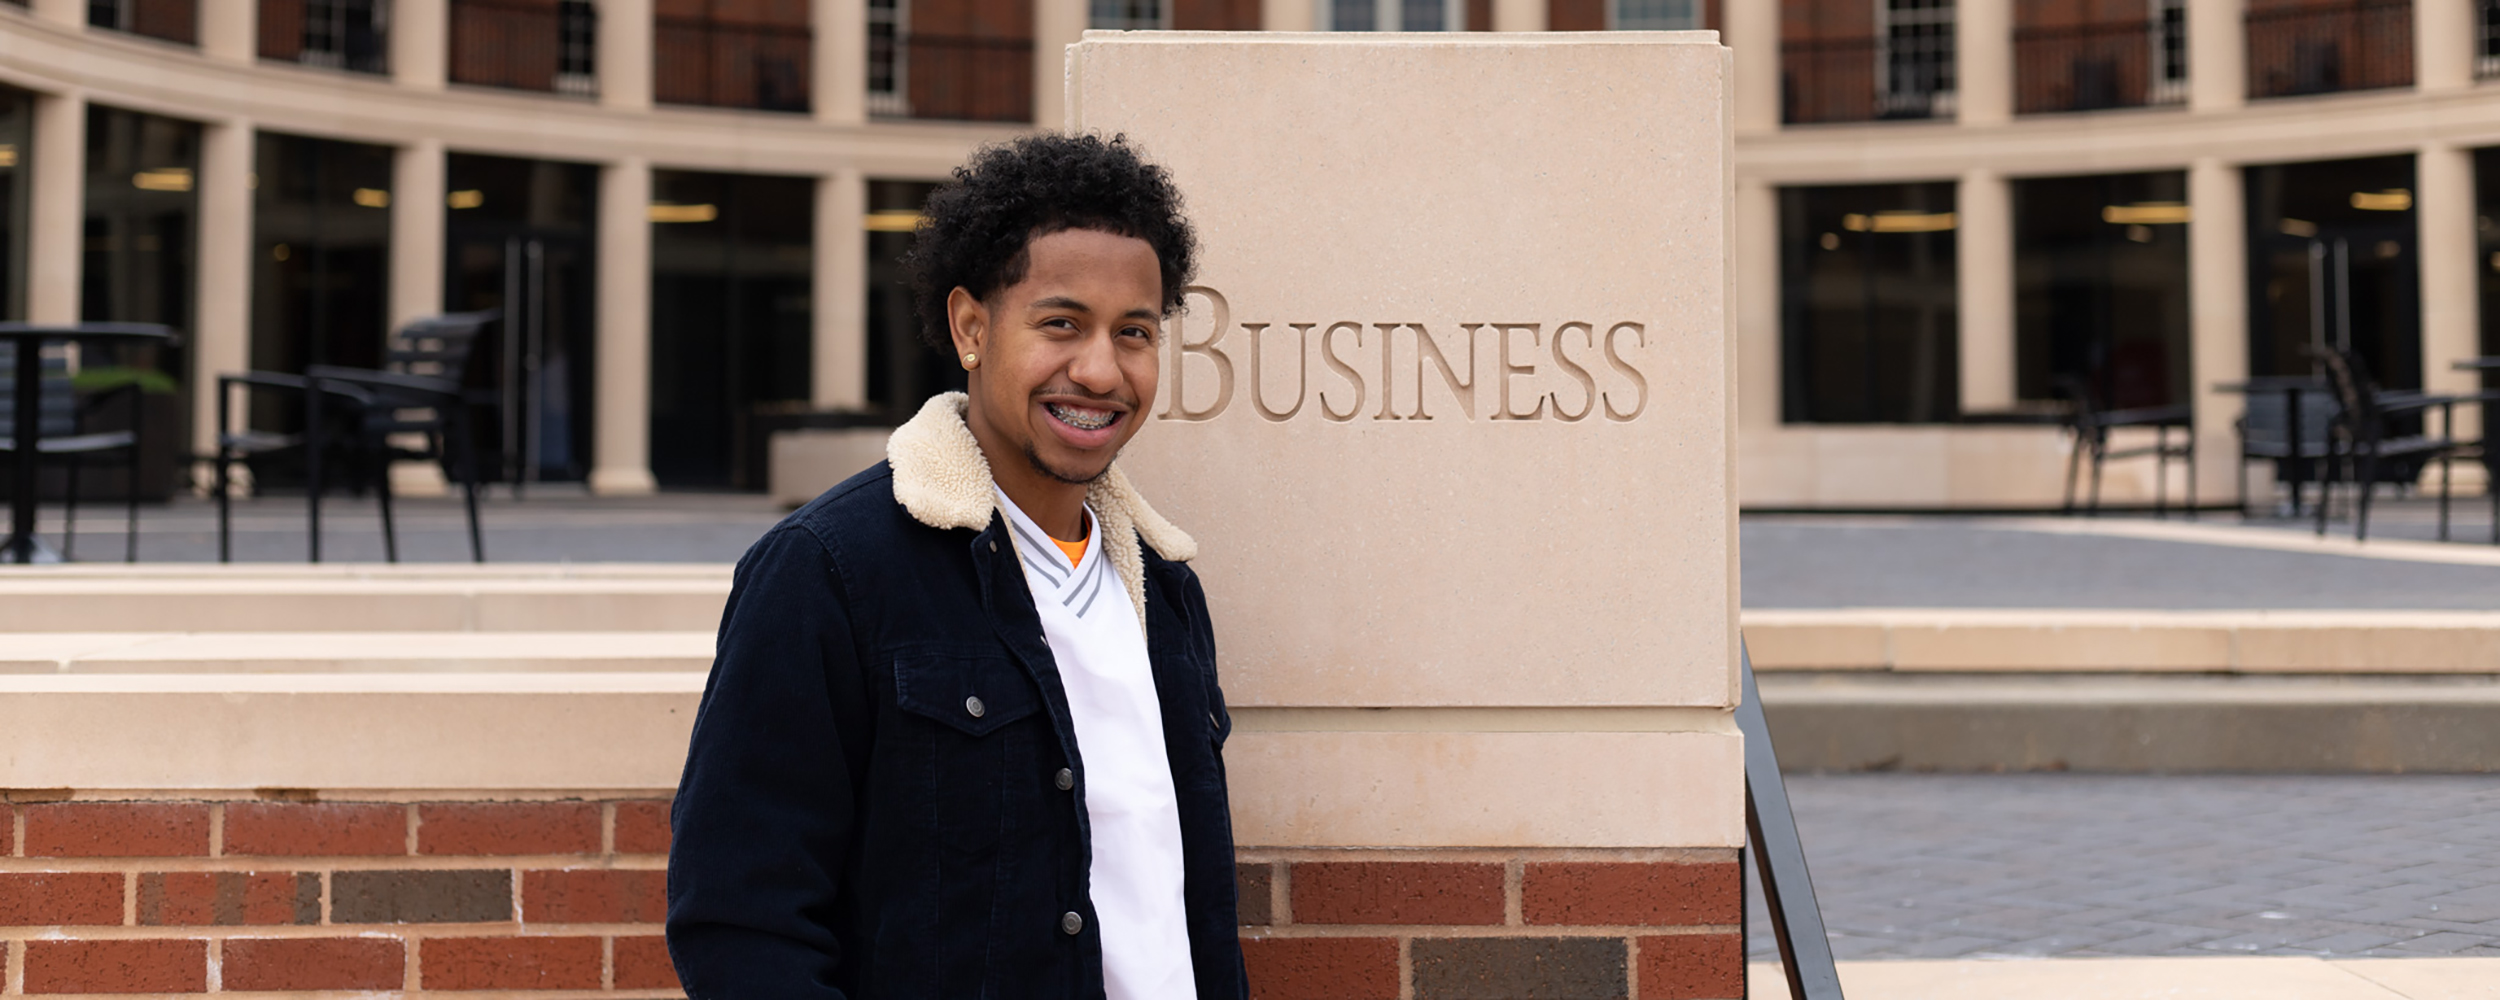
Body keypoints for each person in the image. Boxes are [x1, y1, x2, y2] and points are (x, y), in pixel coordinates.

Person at [665, 133, 1247, 1000]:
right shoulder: (829, 573)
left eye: (1134, 333)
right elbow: (738, 922)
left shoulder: (1164, 592)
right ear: (972, 327)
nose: (1101, 370)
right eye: (1061, 323)